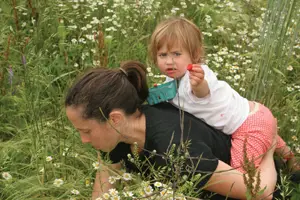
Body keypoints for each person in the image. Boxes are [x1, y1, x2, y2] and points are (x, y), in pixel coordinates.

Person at [65, 61, 278, 200]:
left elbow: (260, 191)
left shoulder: (176, 151)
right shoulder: (116, 134)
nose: (84, 140)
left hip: (247, 179)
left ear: (115, 119)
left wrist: (269, 149)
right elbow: (101, 194)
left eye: (86, 131)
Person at [148, 17, 298, 172]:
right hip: (254, 112)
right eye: (163, 55)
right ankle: (289, 157)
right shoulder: (173, 76)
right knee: (268, 136)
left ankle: (274, 162)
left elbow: (202, 93)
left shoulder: (198, 75)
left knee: (242, 174)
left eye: (176, 54)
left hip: (247, 125)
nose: (169, 61)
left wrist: (199, 84)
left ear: (195, 54)